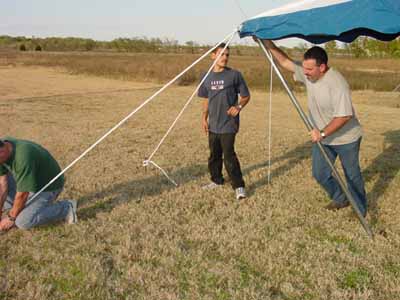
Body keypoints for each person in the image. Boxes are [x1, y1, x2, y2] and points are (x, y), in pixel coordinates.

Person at [258, 39, 367, 216]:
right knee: (320, 173)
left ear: (322, 67)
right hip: (323, 137)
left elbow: (344, 116)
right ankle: (341, 197)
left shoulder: (338, 84)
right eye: (304, 68)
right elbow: (285, 62)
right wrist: (267, 44)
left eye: (309, 69)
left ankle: (360, 210)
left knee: (352, 175)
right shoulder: (310, 74)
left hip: (346, 138)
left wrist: (322, 132)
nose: (305, 73)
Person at [198, 43, 251, 200]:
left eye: (227, 55)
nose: (225, 58)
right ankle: (216, 180)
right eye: (221, 54)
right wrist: (204, 118)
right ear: (213, 56)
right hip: (213, 124)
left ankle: (239, 186)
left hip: (228, 123)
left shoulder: (234, 75)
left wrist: (239, 106)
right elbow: (206, 99)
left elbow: (246, 96)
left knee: (229, 155)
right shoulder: (205, 76)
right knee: (214, 155)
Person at [0, 137, 77, 232]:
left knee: (23, 222)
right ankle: (16, 209)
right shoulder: (4, 146)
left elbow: (23, 194)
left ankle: (66, 207)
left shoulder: (23, 157)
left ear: (2, 152)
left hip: (48, 186)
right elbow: (2, 183)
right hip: (30, 178)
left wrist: (11, 218)